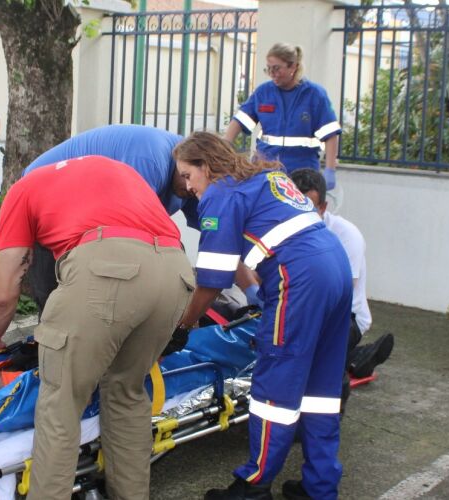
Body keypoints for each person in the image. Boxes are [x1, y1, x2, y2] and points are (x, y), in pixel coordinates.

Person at [0, 155, 195, 500]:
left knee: (61, 403)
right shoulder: (117, 168)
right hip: (176, 273)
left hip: (108, 271)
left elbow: (3, 291)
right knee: (126, 392)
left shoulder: (22, 190)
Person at [172, 132, 352, 500]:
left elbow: (211, 281)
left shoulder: (221, 195)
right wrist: (260, 295)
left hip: (298, 278)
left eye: (188, 176)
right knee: (320, 390)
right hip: (334, 266)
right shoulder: (266, 176)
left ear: (206, 166)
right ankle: (320, 487)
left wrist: (183, 325)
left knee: (275, 386)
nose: (187, 187)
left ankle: (254, 486)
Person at [22, 124, 198, 309]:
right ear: (185, 164)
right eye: (186, 178)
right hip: (50, 192)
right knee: (57, 297)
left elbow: (215, 237)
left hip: (92, 206)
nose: (191, 190)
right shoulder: (150, 159)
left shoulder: (197, 181)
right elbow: (131, 235)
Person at [289, 168, 393, 384]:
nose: (301, 217)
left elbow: (342, 290)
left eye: (309, 209)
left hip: (346, 316)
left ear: (323, 207)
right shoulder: (283, 228)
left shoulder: (347, 235)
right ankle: (358, 359)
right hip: (301, 308)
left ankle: (346, 364)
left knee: (307, 359)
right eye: (295, 208)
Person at [224, 42, 341, 190]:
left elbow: (330, 134)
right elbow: (239, 121)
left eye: (277, 68)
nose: (272, 73)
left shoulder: (314, 95)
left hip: (303, 174)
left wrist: (330, 170)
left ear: (293, 66)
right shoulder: (263, 93)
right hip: (266, 170)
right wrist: (225, 147)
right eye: (269, 69)